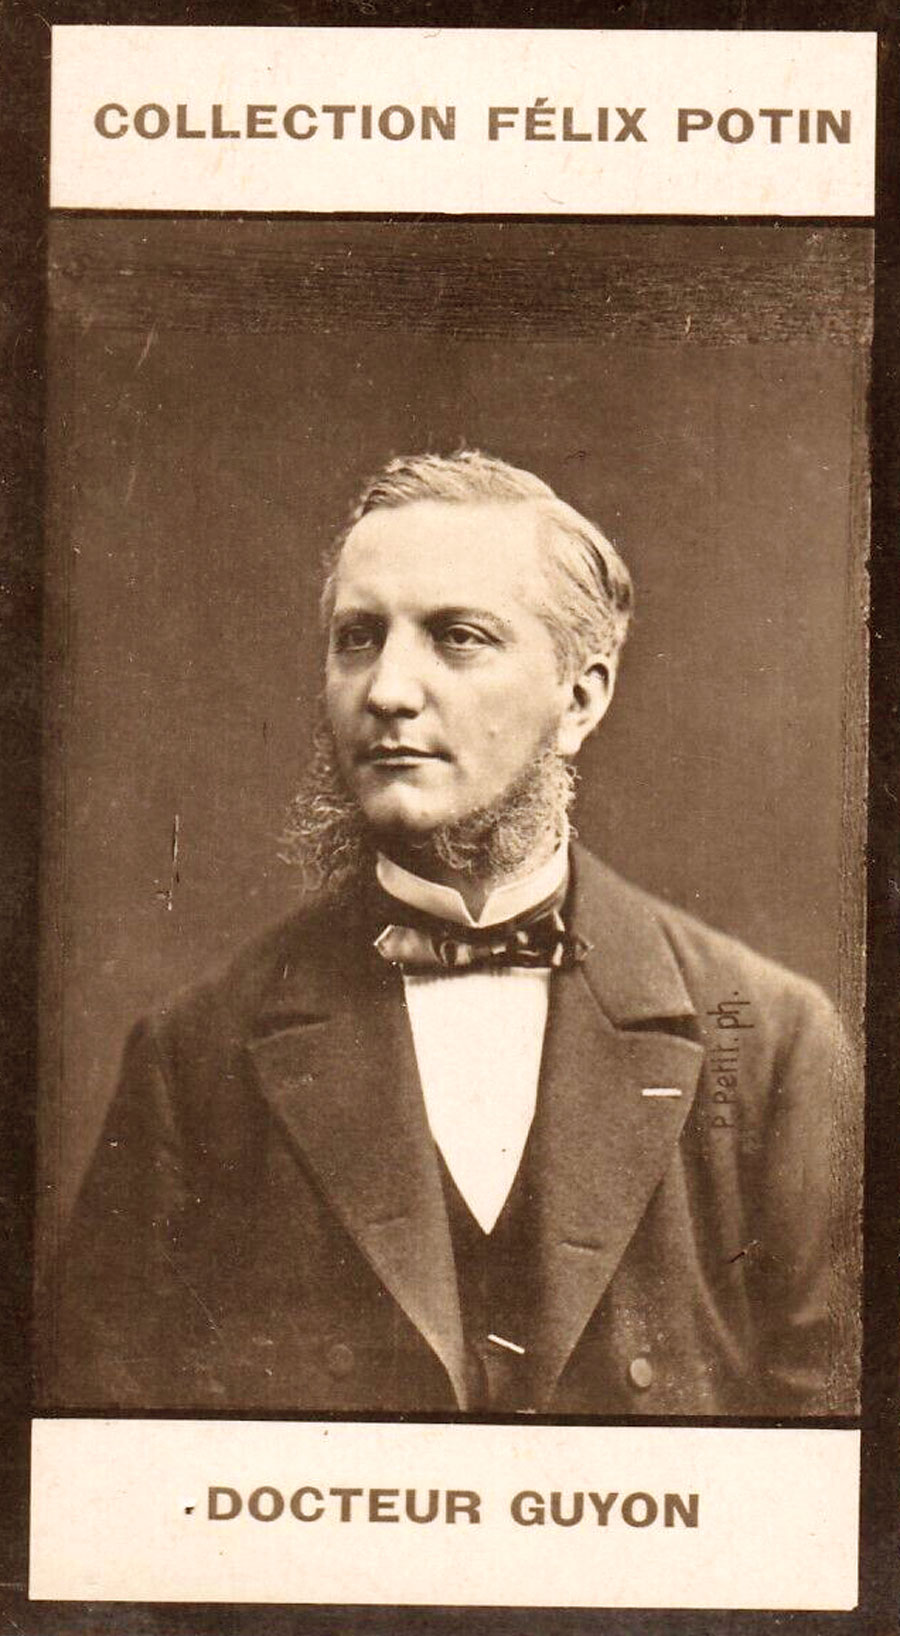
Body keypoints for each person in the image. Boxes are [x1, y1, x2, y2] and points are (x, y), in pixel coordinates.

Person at [46, 450, 860, 1417]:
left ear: (580, 698)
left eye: (458, 637)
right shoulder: (194, 1059)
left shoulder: (772, 1045)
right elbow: (110, 1459)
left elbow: (834, 1471)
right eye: (358, 639)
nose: (387, 690)